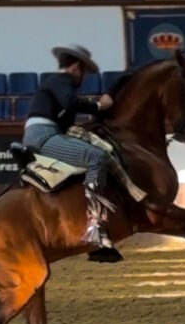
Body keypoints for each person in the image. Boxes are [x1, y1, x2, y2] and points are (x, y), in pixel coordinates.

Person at [21, 44, 122, 263]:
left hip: (37, 133)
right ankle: (95, 225)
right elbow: (71, 102)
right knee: (97, 157)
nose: (83, 78)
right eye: (83, 72)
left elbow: (68, 109)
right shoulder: (62, 81)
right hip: (44, 135)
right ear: (76, 67)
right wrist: (98, 105)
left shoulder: (53, 86)